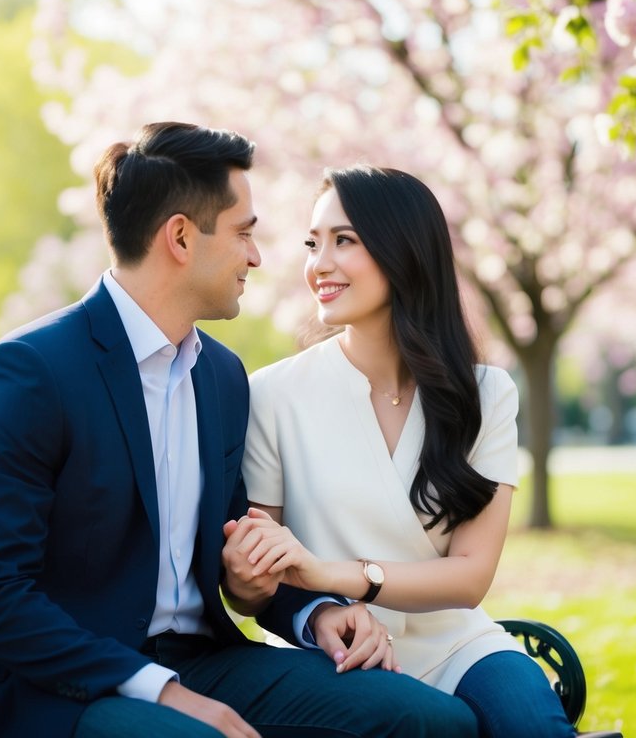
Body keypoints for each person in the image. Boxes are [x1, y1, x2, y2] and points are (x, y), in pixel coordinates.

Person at [0, 126, 478, 738]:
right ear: (182, 237)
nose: (258, 256)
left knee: (432, 722)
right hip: (47, 691)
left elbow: (237, 546)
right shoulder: (29, 373)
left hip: (198, 662)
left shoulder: (219, 375)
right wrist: (160, 692)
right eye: (244, 232)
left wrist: (317, 613)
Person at [223, 166, 575, 737]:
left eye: (345, 241)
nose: (319, 265)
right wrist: (317, 601)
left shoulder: (485, 394)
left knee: (532, 723)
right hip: (335, 651)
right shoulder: (272, 394)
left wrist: (333, 572)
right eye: (314, 244)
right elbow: (258, 583)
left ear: (403, 250)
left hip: (458, 643)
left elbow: (469, 578)